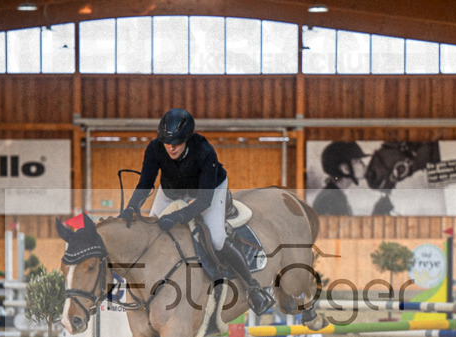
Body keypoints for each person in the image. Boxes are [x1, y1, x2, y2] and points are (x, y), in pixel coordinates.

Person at [119, 108, 274, 314]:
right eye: (167, 143)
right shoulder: (154, 149)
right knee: (152, 232)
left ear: (187, 139)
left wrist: (176, 217)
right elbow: (146, 183)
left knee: (217, 239)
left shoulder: (205, 152)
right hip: (171, 190)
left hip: (208, 190)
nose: (171, 149)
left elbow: (203, 202)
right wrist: (131, 207)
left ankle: (254, 288)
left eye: (176, 144)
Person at [312, 141, 368, 215]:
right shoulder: (330, 199)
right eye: (358, 161)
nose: (363, 165)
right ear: (345, 169)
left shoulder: (334, 195)